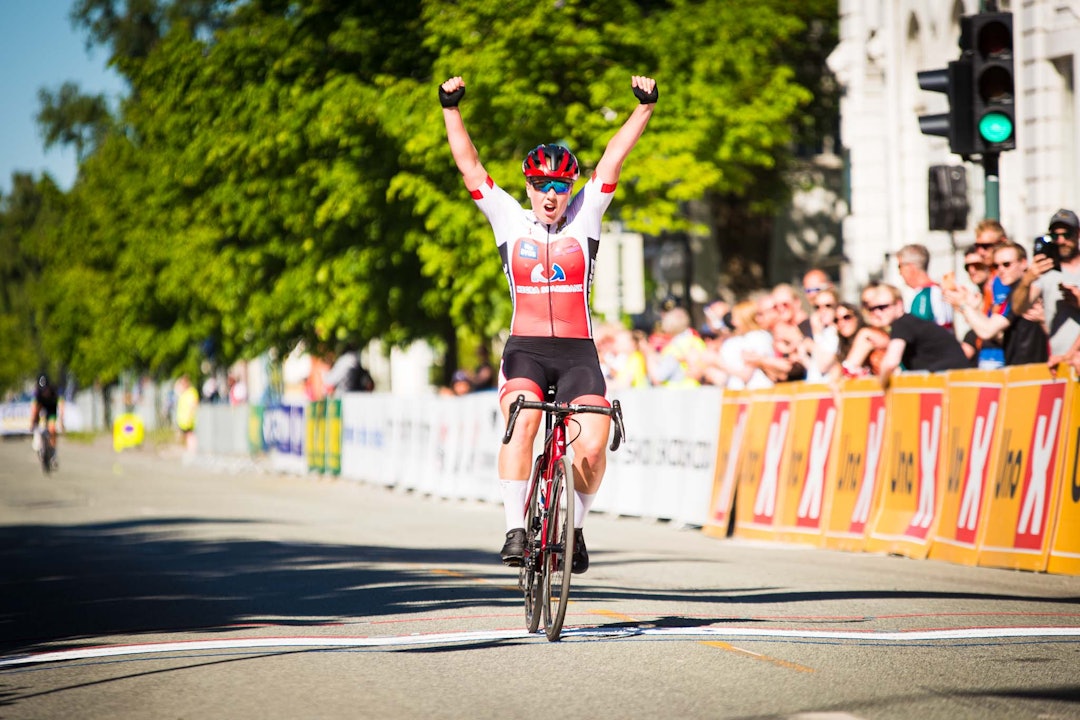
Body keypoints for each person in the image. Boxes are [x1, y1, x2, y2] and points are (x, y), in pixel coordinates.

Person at [440, 72, 657, 573]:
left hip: (579, 353)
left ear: (571, 187)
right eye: (541, 185)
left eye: (560, 185)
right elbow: (470, 166)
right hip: (526, 350)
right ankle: (516, 529)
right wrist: (451, 108)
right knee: (524, 421)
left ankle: (576, 531)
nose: (551, 194)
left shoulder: (587, 217)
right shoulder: (508, 218)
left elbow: (612, 159)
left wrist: (644, 108)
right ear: (529, 187)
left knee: (595, 444)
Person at [946, 242, 1049, 367]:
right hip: (1019, 368)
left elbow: (988, 331)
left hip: (1032, 370)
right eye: (996, 266)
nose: (1001, 270)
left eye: (1007, 264)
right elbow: (994, 331)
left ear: (1023, 263)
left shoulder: (1024, 292)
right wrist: (969, 307)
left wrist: (964, 305)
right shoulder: (1012, 292)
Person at [858, 282, 970, 388]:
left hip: (953, 383)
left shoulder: (902, 323)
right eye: (872, 309)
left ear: (899, 304)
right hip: (955, 381)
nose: (877, 313)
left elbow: (890, 363)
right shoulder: (910, 323)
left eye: (883, 307)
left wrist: (879, 388)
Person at [1011, 209, 1080, 360]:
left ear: (1077, 234)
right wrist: (1027, 280)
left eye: (1066, 234)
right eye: (1055, 236)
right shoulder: (1046, 271)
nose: (1061, 241)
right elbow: (1018, 307)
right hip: (1058, 360)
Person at [896, 243, 952, 329]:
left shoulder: (926, 294)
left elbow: (918, 330)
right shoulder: (937, 291)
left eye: (900, 266)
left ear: (910, 267)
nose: (899, 273)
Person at [29, 374, 63, 466]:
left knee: (52, 429)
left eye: (45, 390)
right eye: (42, 390)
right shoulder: (37, 393)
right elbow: (34, 408)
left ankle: (53, 453)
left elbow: (61, 406)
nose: (44, 392)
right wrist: (32, 422)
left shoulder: (54, 391)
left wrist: (61, 421)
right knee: (36, 420)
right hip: (41, 407)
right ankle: (38, 442)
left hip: (52, 409)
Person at [175, 375, 199, 454]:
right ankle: (190, 451)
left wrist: (190, 415)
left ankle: (192, 451)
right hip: (183, 420)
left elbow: (194, 404)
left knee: (190, 435)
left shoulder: (191, 392)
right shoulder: (183, 393)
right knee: (186, 436)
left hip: (189, 419)